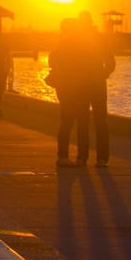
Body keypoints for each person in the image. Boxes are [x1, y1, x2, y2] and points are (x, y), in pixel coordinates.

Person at [48, 18, 91, 166]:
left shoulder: (60, 45)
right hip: (81, 88)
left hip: (64, 88)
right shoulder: (82, 44)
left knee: (66, 122)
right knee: (82, 124)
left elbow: (52, 61)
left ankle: (63, 156)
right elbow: (87, 66)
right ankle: (82, 158)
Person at [78, 11, 116, 167]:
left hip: (82, 85)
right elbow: (111, 62)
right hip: (94, 84)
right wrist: (103, 74)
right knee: (100, 122)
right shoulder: (98, 39)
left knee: (84, 121)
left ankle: (82, 157)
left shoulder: (77, 40)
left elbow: (110, 62)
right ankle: (101, 159)